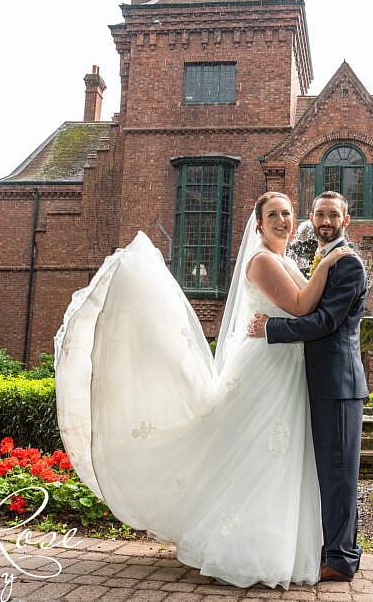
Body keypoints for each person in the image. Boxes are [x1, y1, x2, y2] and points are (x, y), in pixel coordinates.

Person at [52, 191, 352, 589]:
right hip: (268, 367)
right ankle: (245, 548)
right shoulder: (262, 260)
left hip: (287, 367)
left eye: (287, 213)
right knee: (260, 454)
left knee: (281, 455)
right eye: (273, 215)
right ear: (258, 224)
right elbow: (299, 306)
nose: (282, 220)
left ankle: (280, 543)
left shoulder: (286, 260)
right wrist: (328, 263)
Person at [247, 191, 368, 582]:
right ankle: (332, 549)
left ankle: (342, 559)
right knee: (328, 473)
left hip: (338, 382)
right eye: (320, 214)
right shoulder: (320, 257)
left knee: (339, 473)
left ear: (345, 221)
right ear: (311, 219)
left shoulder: (347, 263)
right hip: (318, 379)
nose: (326, 221)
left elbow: (326, 322)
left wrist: (271, 327)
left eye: (334, 215)